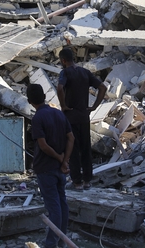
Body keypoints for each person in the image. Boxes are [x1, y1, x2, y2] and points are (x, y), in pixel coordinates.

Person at [28, 83, 74, 248]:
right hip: (60, 169)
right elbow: (71, 138)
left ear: (30, 101)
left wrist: (60, 158)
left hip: (46, 169)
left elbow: (43, 145)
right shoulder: (59, 114)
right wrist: (65, 160)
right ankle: (61, 240)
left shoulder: (38, 118)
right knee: (62, 204)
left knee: (54, 208)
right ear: (45, 97)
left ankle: (51, 244)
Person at [56, 47, 107, 190]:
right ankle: (87, 181)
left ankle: (76, 182)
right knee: (85, 150)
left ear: (63, 60)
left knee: (72, 150)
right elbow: (102, 87)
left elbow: (60, 88)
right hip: (84, 117)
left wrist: (64, 105)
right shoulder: (85, 73)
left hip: (70, 119)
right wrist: (94, 107)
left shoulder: (65, 73)